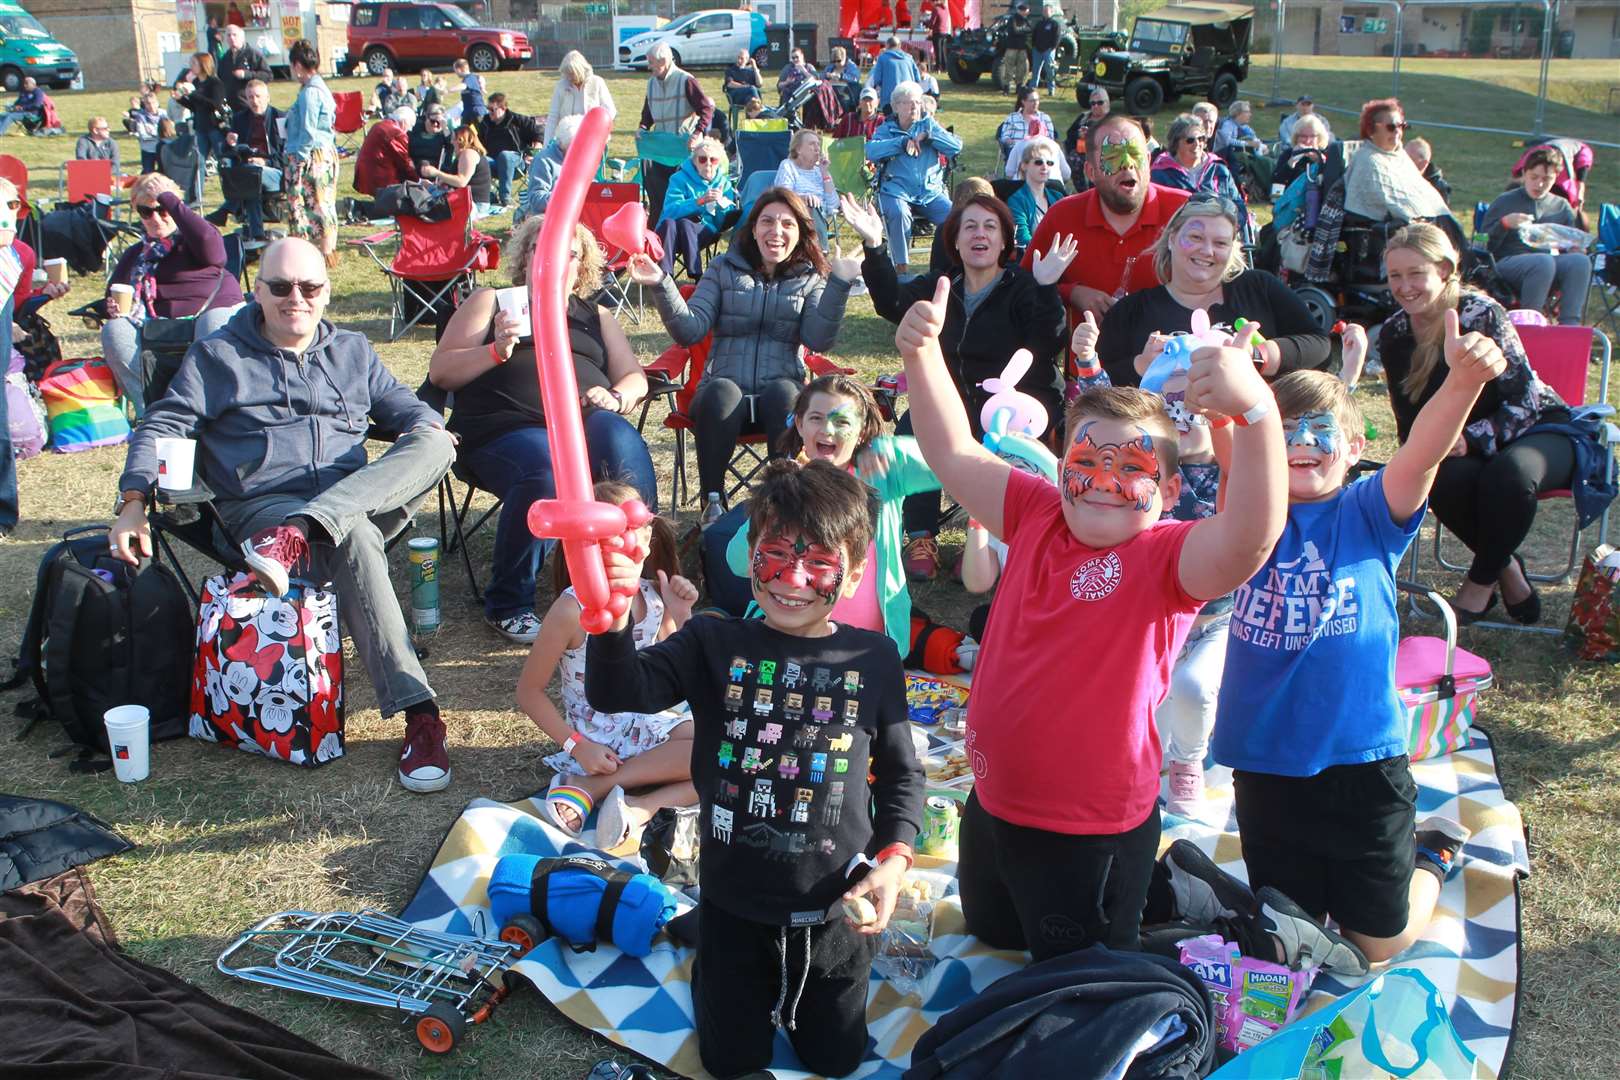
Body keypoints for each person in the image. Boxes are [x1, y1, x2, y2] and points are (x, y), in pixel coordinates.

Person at [893, 270, 1291, 963]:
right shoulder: (1037, 510)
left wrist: (1256, 411)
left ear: (1169, 491)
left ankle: (1195, 911)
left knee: (1078, 971)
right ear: (1062, 465)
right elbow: (952, 455)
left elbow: (1250, 536)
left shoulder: (1168, 557)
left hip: (1091, 829)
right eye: (1089, 458)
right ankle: (1169, 894)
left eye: (1128, 466)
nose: (1104, 479)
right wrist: (922, 357)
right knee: (994, 932)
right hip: (992, 803)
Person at [585, 458, 925, 1080]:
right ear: (749, 557)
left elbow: (903, 775)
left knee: (837, 1061)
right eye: (775, 555)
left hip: (837, 909)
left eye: (819, 562)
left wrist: (895, 862)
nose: (793, 579)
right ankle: (707, 965)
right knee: (729, 1063)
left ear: (852, 576)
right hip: (733, 904)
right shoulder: (713, 641)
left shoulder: (874, 655)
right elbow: (618, 691)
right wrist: (610, 617)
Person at [1212, 306, 1510, 972]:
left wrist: (1459, 383)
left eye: (1322, 432)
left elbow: (1421, 453)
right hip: (1267, 767)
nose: (1304, 443)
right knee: (1291, 938)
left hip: (1362, 766)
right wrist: (1225, 394)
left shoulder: (1371, 510)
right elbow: (1232, 437)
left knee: (1376, 947)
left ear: (1352, 449)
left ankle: (1430, 855)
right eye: (1286, 431)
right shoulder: (1248, 512)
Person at [111, 238, 457, 793]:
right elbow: (160, 427)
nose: (295, 297)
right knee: (357, 538)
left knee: (439, 442)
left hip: (346, 498)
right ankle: (421, 714)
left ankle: (303, 533)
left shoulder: (353, 351)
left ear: (326, 293)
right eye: (280, 286)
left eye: (310, 286)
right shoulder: (219, 357)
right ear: (257, 290)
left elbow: (407, 408)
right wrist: (132, 503)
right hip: (264, 508)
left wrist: (420, 424)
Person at [431, 219, 658, 644]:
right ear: (526, 257)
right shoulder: (493, 301)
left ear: (582, 265)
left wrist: (616, 396)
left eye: (568, 252)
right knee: (546, 466)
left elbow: (634, 378)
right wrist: (496, 351)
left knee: (620, 438)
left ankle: (641, 578)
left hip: (583, 423)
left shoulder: (597, 315)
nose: (554, 258)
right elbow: (442, 372)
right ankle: (509, 603)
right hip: (504, 430)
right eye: (542, 247)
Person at [846, 192, 1073, 579]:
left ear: (1004, 240)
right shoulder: (942, 284)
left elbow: (1047, 342)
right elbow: (890, 302)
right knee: (914, 424)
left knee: (1005, 436)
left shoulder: (1022, 285)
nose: (979, 234)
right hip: (956, 401)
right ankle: (921, 537)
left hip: (1015, 404)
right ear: (955, 240)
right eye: (970, 226)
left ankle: (991, 542)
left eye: (990, 227)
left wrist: (1047, 286)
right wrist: (874, 246)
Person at [1380, 222, 1573, 624]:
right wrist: (1428, 450)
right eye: (1395, 275)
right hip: (1465, 445)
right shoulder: (1395, 331)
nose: (1404, 286)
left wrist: (1469, 438)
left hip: (1535, 428)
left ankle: (1480, 583)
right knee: (1435, 476)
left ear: (1446, 269)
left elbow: (1525, 400)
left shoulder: (1480, 313)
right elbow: (1408, 419)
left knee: (1510, 475)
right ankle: (1508, 570)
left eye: (1416, 273)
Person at [628, 188, 858, 505]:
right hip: (719, 405)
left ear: (801, 232)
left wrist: (839, 283)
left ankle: (785, 502)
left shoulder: (809, 278)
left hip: (779, 405)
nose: (776, 231)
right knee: (723, 391)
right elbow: (689, 330)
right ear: (753, 229)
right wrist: (661, 282)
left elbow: (818, 339)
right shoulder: (723, 269)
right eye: (767, 221)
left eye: (787, 224)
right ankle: (713, 503)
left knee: (786, 393)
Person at [713, 376, 953, 664]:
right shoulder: (788, 488)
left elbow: (946, 464)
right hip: (786, 648)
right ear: (799, 424)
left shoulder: (883, 477)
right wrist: (772, 504)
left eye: (842, 422)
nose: (827, 429)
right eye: (816, 418)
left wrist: (893, 450)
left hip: (869, 648)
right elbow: (738, 563)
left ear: (862, 431)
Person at [521, 480, 699, 845]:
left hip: (649, 720)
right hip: (599, 735)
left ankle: (631, 802)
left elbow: (668, 669)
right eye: (603, 541)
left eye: (628, 535)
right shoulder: (571, 609)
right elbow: (528, 692)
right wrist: (576, 746)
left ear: (648, 537)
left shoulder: (654, 595)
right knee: (709, 758)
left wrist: (681, 616)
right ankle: (605, 781)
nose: (618, 549)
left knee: (726, 750)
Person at [1093, 198, 1329, 391]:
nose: (1207, 251)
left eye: (1220, 243)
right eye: (1196, 237)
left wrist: (1257, 356)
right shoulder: (1132, 311)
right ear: (1172, 238)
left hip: (1250, 434)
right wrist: (1141, 366)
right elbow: (1096, 384)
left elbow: (1319, 345)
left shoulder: (1259, 287)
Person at [101, 173, 247, 417]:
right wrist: (114, 310)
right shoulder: (136, 254)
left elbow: (214, 249)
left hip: (208, 314)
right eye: (146, 212)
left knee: (216, 325)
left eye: (163, 209)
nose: (156, 218)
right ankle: (152, 411)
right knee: (114, 330)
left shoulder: (195, 240)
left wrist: (168, 199)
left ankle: (218, 407)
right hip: (155, 327)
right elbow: (113, 294)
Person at [1024, 114, 1190, 325]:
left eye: (1134, 154)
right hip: (1089, 355)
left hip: (1170, 354)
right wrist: (1072, 293)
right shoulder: (1062, 216)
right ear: (1091, 172)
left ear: (1148, 161)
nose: (1127, 165)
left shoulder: (1183, 212)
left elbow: (1217, 285)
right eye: (1113, 157)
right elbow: (1024, 287)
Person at [1481, 146, 1591, 326]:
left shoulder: (1561, 206)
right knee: (1543, 262)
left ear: (1556, 178)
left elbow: (1568, 241)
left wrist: (1575, 248)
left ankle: (1570, 325)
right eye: (1534, 177)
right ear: (1524, 174)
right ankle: (1531, 322)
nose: (1539, 184)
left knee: (1580, 261)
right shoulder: (1506, 201)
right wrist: (1504, 224)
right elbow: (1480, 241)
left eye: (1547, 179)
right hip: (1507, 263)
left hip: (1548, 264)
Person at [866, 81, 962, 275]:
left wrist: (929, 136)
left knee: (957, 217)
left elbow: (956, 146)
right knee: (899, 214)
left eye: (918, 102)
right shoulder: (887, 128)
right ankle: (901, 269)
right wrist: (901, 142)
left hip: (930, 193)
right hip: (896, 191)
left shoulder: (928, 125)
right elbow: (870, 150)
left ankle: (950, 265)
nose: (914, 107)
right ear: (895, 106)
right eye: (909, 103)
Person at [638, 42, 715, 225]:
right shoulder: (651, 83)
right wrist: (642, 127)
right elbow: (648, 112)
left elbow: (706, 109)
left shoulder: (686, 80)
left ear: (663, 61)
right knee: (657, 195)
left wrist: (697, 134)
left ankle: (680, 230)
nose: (649, 67)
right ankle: (658, 231)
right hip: (660, 150)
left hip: (684, 151)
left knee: (679, 196)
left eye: (652, 63)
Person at [1344, 98, 1449, 223]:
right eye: (1391, 127)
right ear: (1371, 130)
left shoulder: (1401, 157)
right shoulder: (1368, 161)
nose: (1397, 132)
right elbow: (1389, 204)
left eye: (1401, 126)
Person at [1149, 114, 1250, 244]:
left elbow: (1238, 205)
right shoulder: (1160, 173)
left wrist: (1231, 227)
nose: (1197, 144)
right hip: (1177, 241)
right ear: (1176, 142)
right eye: (1190, 140)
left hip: (1219, 238)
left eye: (1201, 138)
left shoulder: (1219, 170)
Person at [283, 39, 339, 267]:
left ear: (297, 65)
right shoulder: (321, 88)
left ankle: (320, 254)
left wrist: (298, 160)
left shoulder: (310, 94)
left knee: (313, 206)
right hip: (323, 153)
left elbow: (308, 129)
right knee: (323, 204)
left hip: (310, 157)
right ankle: (326, 253)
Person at [653, 135, 738, 279]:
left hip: (702, 232)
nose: (708, 164)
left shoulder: (724, 184)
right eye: (702, 159)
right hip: (670, 234)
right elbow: (670, 211)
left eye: (713, 160)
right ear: (694, 161)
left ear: (719, 163)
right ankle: (664, 277)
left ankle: (697, 275)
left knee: (686, 224)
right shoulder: (679, 179)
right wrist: (699, 201)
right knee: (669, 223)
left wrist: (721, 206)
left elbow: (722, 223)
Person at [216, 79, 284, 241]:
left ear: (267, 97)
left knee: (251, 174)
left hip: (274, 171)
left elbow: (286, 154)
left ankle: (225, 210)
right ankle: (257, 235)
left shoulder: (280, 118)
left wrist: (265, 162)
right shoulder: (240, 119)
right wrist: (230, 143)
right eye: (250, 97)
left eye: (258, 96)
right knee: (247, 178)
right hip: (248, 171)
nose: (254, 101)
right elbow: (227, 152)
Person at [476, 94, 544, 210]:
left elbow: (539, 133)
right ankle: (488, 196)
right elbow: (478, 143)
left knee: (505, 155)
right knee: (478, 160)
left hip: (518, 163)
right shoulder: (485, 123)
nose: (489, 112)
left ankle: (505, 197)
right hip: (493, 164)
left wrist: (534, 153)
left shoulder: (517, 120)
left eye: (492, 109)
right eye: (488, 109)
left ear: (503, 109)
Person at [774, 130, 840, 246]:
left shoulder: (821, 171)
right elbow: (782, 195)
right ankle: (821, 251)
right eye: (811, 144)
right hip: (794, 215)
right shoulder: (788, 165)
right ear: (798, 149)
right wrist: (803, 198)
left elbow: (833, 206)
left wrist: (825, 173)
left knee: (814, 208)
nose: (817, 148)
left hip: (819, 219)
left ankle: (819, 250)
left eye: (818, 144)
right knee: (810, 205)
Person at [547, 50, 617, 149]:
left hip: (594, 136)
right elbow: (553, 117)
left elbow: (610, 111)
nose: (569, 77)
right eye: (567, 74)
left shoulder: (597, 82)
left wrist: (599, 128)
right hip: (567, 139)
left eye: (572, 74)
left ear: (580, 70)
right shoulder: (560, 86)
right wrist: (547, 144)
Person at [515, 114, 578, 223]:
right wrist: (566, 195)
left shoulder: (581, 160)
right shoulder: (543, 160)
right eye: (576, 146)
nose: (580, 150)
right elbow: (536, 199)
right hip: (547, 220)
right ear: (565, 144)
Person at [1006, 137, 1066, 250]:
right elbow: (1023, 239)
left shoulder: (1058, 197)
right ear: (1024, 165)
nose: (1045, 167)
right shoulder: (1016, 200)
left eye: (1049, 163)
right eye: (1038, 162)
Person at [424, 120, 493, 216]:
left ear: (461, 140)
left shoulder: (468, 154)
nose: (452, 142)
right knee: (427, 189)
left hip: (474, 204)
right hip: (467, 200)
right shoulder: (464, 155)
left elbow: (462, 181)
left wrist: (436, 173)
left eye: (453, 139)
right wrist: (439, 183)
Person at [173, 52, 228, 167]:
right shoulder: (196, 82)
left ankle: (228, 183)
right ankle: (198, 185)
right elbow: (195, 107)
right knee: (198, 162)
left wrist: (192, 94)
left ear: (203, 64)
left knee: (223, 160)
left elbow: (215, 105)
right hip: (200, 127)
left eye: (194, 63)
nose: (191, 66)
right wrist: (180, 99)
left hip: (215, 127)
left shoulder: (215, 83)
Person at [354, 104, 416, 199]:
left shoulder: (379, 125)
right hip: (379, 176)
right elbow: (404, 161)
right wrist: (417, 181)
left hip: (364, 171)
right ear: (404, 122)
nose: (408, 131)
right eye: (409, 127)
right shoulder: (397, 132)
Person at [217, 23, 272, 113]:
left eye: (235, 35)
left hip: (251, 106)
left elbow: (268, 75)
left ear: (242, 37)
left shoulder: (253, 54)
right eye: (228, 35)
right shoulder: (225, 58)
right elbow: (220, 79)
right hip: (231, 108)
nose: (231, 38)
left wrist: (246, 74)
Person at [1270, 113, 1331, 193]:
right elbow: (1276, 183)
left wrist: (1319, 161)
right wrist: (1291, 162)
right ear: (1296, 137)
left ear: (1319, 138)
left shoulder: (1327, 154)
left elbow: (1331, 183)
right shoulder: (1288, 154)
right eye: (1303, 136)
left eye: (1312, 136)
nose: (1307, 141)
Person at [1062, 86, 1110, 182]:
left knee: (1097, 166)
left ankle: (1096, 190)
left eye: (1100, 103)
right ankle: (1082, 192)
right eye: (1093, 103)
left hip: (1104, 153)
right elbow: (1070, 134)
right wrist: (1078, 135)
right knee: (1073, 160)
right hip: (1082, 152)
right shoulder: (1084, 117)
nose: (1095, 106)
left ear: (1107, 103)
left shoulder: (1112, 120)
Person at [998, 85, 1053, 164]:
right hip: (1017, 154)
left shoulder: (1045, 118)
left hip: (1039, 154)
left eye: (1037, 100)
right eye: (1032, 101)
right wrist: (1010, 142)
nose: (1035, 103)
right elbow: (1004, 137)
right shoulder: (1012, 118)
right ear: (1023, 101)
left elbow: (1050, 139)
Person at [867, 36, 919, 111]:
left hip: (889, 99)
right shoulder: (909, 58)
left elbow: (877, 79)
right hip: (908, 97)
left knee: (890, 120)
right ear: (900, 46)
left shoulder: (882, 58)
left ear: (887, 46)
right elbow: (917, 79)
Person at [410, 102, 453, 176]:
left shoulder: (445, 134)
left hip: (436, 172)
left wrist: (445, 128)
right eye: (433, 121)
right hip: (415, 171)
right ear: (426, 118)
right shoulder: (415, 130)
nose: (436, 124)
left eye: (439, 122)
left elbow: (451, 146)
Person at [127, 92, 165, 174]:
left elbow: (169, 132)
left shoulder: (164, 114)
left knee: (164, 172)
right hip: (148, 150)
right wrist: (159, 136)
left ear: (157, 103)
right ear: (144, 104)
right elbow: (143, 135)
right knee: (148, 173)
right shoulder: (140, 117)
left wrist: (152, 133)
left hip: (163, 149)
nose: (151, 106)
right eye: (148, 103)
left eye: (153, 103)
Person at [1404, 137, 1452, 202]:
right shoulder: (1396, 177)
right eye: (1403, 157)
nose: (1403, 161)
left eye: (1409, 159)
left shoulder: (1438, 188)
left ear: (1423, 164)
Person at [1030, 3, 1063, 94]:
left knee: (1049, 70)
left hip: (1048, 51)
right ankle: (1032, 89)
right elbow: (1034, 35)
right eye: (1044, 11)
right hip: (1037, 50)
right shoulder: (1039, 23)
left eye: (1047, 11)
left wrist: (1052, 48)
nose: (1045, 12)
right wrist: (1034, 46)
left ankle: (1051, 89)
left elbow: (1057, 37)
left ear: (1051, 12)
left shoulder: (1054, 24)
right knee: (1035, 70)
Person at [1000, 2, 1033, 92]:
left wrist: (1022, 30)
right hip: (1012, 47)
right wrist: (1024, 30)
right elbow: (1015, 31)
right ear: (1020, 11)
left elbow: (1030, 30)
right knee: (1009, 68)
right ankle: (1006, 87)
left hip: (1022, 48)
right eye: (1025, 10)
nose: (1027, 12)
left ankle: (1019, 87)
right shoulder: (1013, 19)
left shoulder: (1027, 20)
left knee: (1022, 69)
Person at [724, 48, 763, 115]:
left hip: (748, 96)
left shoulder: (751, 71)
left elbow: (759, 84)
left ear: (747, 60)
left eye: (742, 58)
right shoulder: (730, 70)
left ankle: (752, 118)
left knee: (751, 101)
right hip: (736, 96)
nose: (739, 60)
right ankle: (760, 112)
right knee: (752, 89)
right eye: (738, 57)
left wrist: (755, 68)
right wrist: (744, 87)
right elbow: (730, 84)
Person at [823, 45, 860, 110]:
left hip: (847, 95)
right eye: (834, 61)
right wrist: (827, 76)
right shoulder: (830, 67)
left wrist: (841, 76)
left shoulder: (852, 66)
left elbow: (855, 79)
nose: (836, 63)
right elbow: (822, 77)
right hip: (832, 94)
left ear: (844, 58)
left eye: (839, 61)